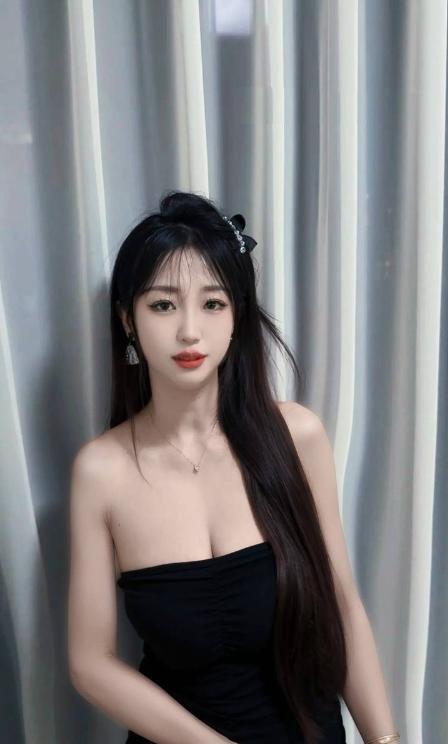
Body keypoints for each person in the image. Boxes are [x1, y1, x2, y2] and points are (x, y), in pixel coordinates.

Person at [67, 190, 400, 744]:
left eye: (213, 303)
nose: (189, 331)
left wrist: (386, 740)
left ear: (236, 315)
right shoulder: (101, 472)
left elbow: (341, 604)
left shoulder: (296, 436)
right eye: (163, 305)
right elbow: (90, 663)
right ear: (128, 319)